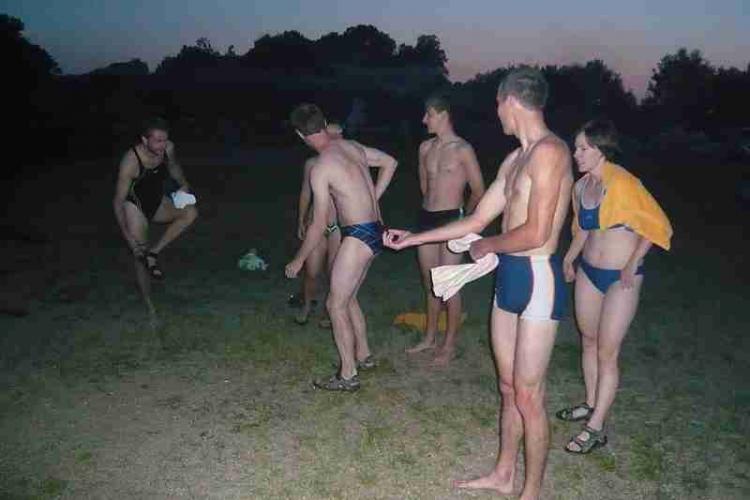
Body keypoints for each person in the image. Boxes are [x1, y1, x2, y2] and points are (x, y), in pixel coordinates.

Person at [385, 67, 572, 500]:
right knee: (507, 387)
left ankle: (530, 492)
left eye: (498, 104)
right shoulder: (514, 159)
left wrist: (488, 244)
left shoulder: (550, 152)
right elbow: (475, 218)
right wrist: (415, 237)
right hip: (508, 277)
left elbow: (537, 232)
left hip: (537, 277)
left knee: (528, 395)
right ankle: (504, 474)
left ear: (511, 101)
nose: (496, 113)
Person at [556, 118, 672, 454]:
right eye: (576, 148)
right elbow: (582, 229)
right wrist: (569, 259)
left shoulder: (624, 183)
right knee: (588, 340)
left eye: (583, 148)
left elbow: (656, 223)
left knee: (607, 351)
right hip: (589, 272)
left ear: (601, 149)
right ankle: (591, 403)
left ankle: (595, 428)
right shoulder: (582, 187)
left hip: (621, 278)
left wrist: (634, 260)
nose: (576, 154)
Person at [285, 104, 398, 392]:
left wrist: (299, 259)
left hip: (357, 235)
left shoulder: (321, 167)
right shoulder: (352, 147)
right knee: (348, 298)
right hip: (375, 231)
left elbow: (318, 223)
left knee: (334, 305)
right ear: (324, 123)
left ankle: (347, 375)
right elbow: (390, 162)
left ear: (300, 135)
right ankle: (364, 355)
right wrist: (373, 196)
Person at [406, 92, 485, 365]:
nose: (424, 119)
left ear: (443, 115)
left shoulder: (463, 149)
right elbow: (424, 185)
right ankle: (429, 337)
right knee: (430, 282)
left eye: (428, 114)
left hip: (453, 219)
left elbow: (478, 190)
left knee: (449, 284)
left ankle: (449, 345)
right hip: (426, 218)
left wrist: (465, 221)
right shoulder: (425, 148)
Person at [113, 117, 198, 317]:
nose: (163, 145)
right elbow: (118, 202)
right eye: (158, 141)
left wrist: (183, 184)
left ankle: (154, 253)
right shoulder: (131, 161)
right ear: (144, 140)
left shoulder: (167, 148)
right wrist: (128, 238)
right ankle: (149, 304)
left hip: (158, 203)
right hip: (135, 207)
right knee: (139, 255)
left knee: (190, 212)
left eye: (165, 140)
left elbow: (174, 167)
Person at [291, 123, 344, 326]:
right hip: (316, 224)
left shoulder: (347, 162)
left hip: (337, 226)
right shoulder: (312, 164)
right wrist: (301, 219)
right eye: (332, 135)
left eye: (339, 135)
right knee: (311, 271)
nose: (336, 139)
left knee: (334, 272)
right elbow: (306, 193)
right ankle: (306, 305)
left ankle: (328, 310)